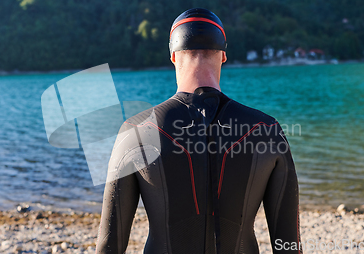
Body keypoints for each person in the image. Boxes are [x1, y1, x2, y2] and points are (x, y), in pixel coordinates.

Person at [96, 8, 301, 254]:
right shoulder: (266, 129)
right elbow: (288, 244)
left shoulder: (135, 131)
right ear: (223, 56)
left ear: (173, 56)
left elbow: (109, 246)